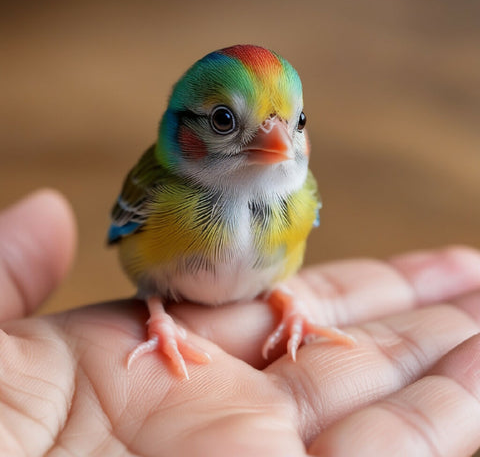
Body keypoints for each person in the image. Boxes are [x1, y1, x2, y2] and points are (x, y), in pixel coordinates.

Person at [1, 189, 479, 457]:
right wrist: (158, 317)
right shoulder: (160, 189)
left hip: (271, 294)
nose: (275, 140)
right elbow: (119, 234)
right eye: (226, 122)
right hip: (158, 293)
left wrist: (289, 306)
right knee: (154, 298)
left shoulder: (301, 192)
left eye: (295, 124)